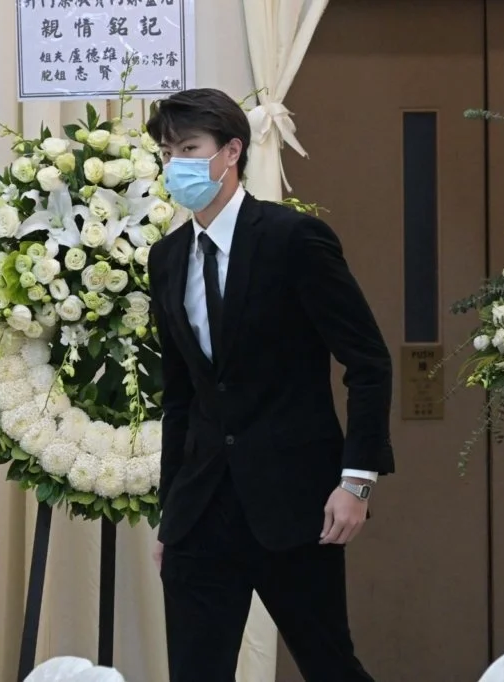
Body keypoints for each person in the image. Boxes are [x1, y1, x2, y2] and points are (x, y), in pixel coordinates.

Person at [145, 88, 394, 682]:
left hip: (294, 500)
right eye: (166, 152)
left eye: (189, 148)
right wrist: (171, 512)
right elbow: (180, 396)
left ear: (231, 151)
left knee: (329, 664)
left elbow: (368, 361)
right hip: (200, 507)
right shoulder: (168, 258)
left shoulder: (293, 239)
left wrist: (356, 481)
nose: (175, 164)